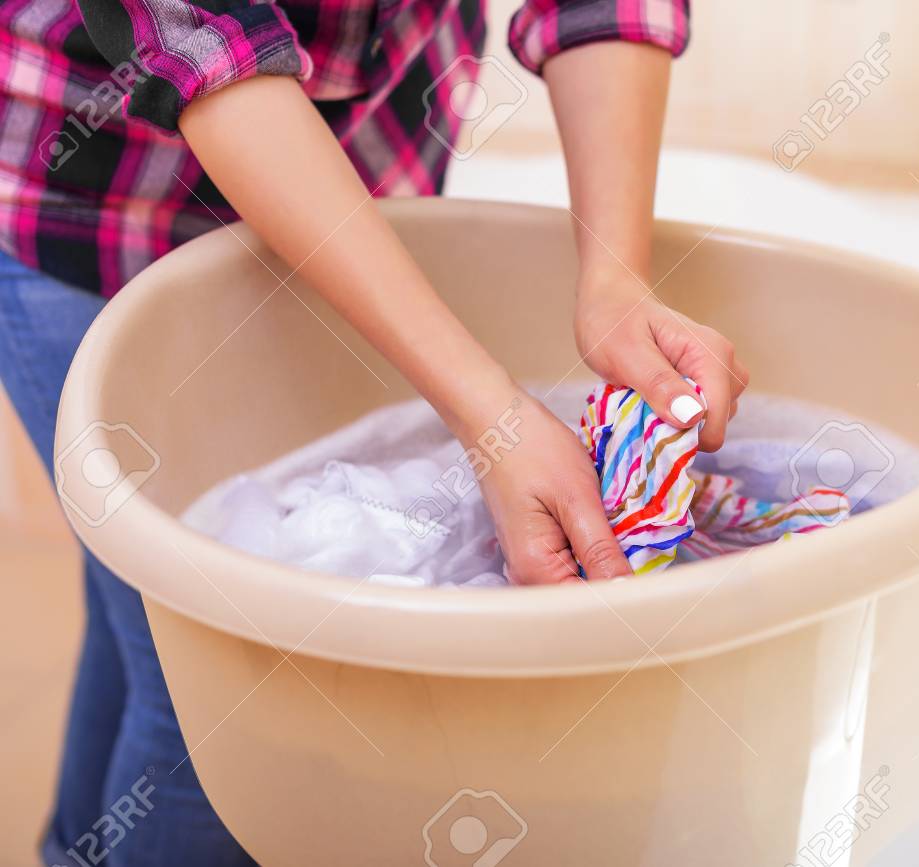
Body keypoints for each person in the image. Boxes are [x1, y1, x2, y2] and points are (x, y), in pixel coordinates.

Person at [0, 0, 747, 863]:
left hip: (364, 194)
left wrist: (615, 281)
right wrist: (493, 417)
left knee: (143, 624)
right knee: (224, 703)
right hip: (100, 210)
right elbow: (210, 43)